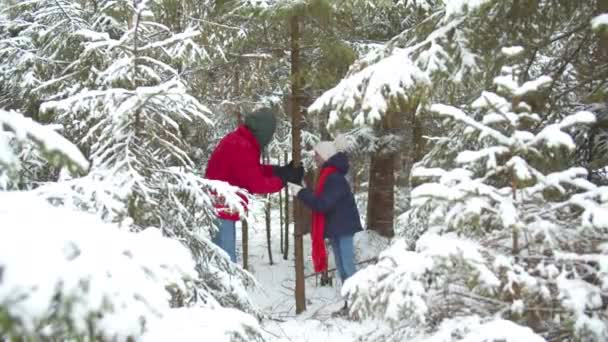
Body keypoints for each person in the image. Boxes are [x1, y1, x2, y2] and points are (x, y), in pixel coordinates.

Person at [205, 108, 303, 262]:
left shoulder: (240, 140)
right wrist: (284, 180)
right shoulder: (242, 146)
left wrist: (279, 171)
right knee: (225, 262)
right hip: (221, 208)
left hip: (220, 207)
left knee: (222, 261)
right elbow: (257, 183)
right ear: (263, 131)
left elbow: (250, 170)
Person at [288, 137, 363, 313]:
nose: (315, 157)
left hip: (343, 228)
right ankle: (350, 305)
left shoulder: (334, 177)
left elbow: (322, 204)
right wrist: (304, 190)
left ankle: (358, 305)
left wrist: (301, 193)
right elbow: (323, 200)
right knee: (343, 267)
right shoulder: (328, 174)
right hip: (338, 228)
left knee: (347, 266)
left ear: (326, 156)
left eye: (317, 154)